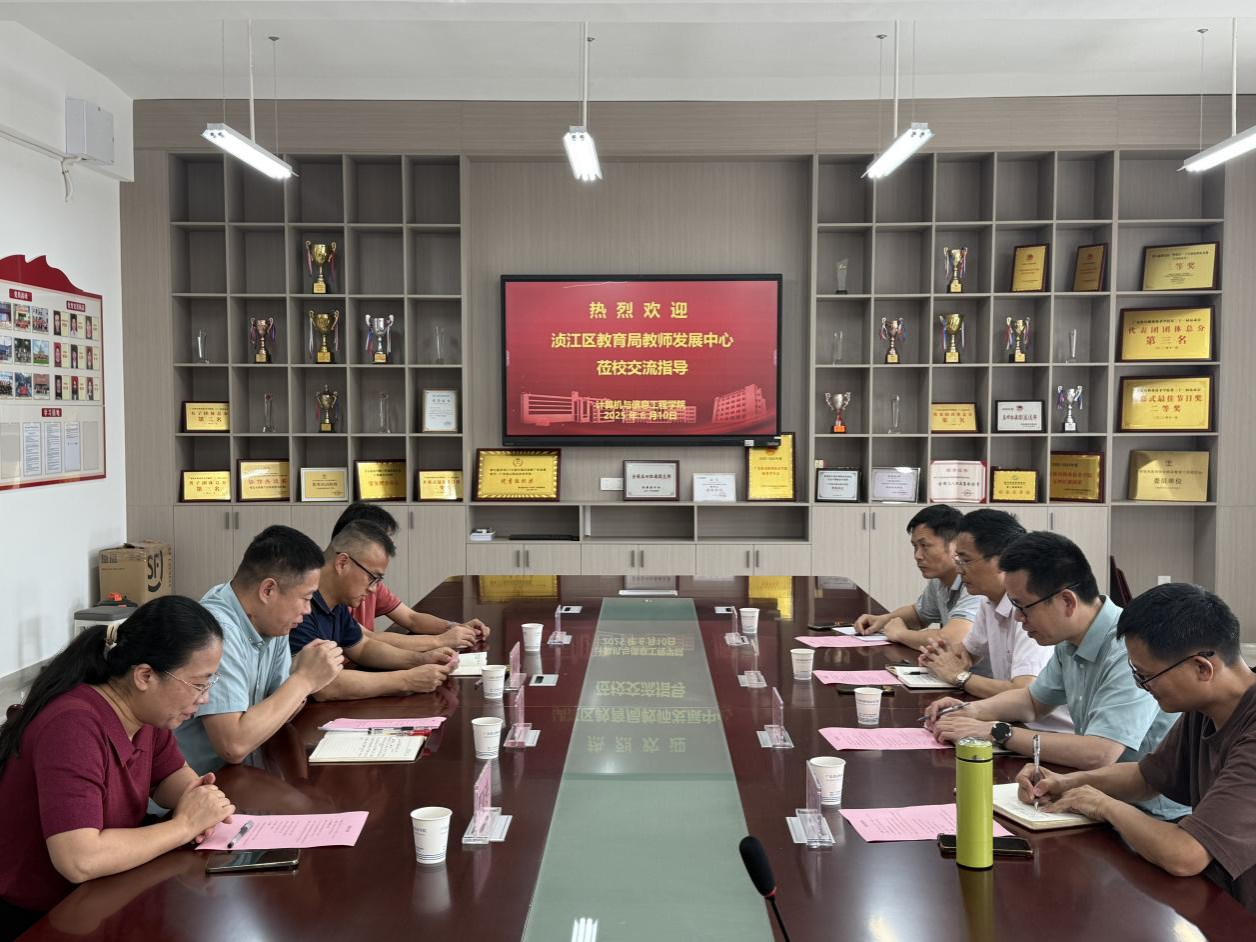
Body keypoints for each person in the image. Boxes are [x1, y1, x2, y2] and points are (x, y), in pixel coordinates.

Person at [0, 597, 236, 938]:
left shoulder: (147, 714)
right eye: (198, 684)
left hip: (104, 895)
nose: (205, 698)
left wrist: (200, 802)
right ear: (145, 676)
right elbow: (79, 860)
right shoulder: (73, 726)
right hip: (43, 919)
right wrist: (185, 825)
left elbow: (172, 780)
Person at [1016, 584, 1255, 910]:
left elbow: (1186, 855)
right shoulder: (1206, 707)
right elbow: (1146, 777)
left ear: (1202, 668)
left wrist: (1104, 805)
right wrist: (1065, 783)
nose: (1142, 687)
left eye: (1146, 676)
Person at [926, 531, 1187, 819]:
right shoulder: (1070, 640)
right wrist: (969, 711)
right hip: (1097, 796)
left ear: (1067, 601)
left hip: (1151, 815)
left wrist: (998, 731)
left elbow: (1100, 752)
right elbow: (1033, 701)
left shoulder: (1128, 649)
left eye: (1023, 607)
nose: (1018, 618)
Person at [175, 525, 345, 775]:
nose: (308, 610)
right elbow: (233, 745)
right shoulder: (216, 632)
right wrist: (303, 680)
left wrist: (302, 676)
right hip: (196, 785)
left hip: (243, 773)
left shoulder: (273, 622)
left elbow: (279, 713)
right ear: (268, 591)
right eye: (306, 598)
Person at [918, 510, 1069, 729]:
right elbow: (966, 655)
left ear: (1003, 560)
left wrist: (959, 676)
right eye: (957, 560)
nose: (958, 570)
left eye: (965, 560)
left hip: (1045, 733)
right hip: (1010, 721)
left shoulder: (1029, 609)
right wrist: (939, 658)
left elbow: (1024, 691)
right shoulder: (989, 601)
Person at [288, 520, 456, 700]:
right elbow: (322, 685)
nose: (373, 589)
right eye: (372, 577)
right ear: (342, 563)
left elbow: (362, 647)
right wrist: (406, 680)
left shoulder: (336, 602)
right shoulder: (298, 607)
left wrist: (419, 659)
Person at [330, 502, 490, 650]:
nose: (388, 551)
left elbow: (411, 618)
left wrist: (455, 627)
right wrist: (441, 640)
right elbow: (366, 639)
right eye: (382, 543)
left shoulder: (371, 583)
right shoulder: (333, 592)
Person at [853, 505, 981, 651]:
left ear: (954, 545)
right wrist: (882, 620)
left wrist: (900, 634)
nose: (917, 556)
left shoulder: (975, 583)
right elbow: (918, 614)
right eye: (915, 546)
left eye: (925, 545)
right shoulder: (939, 580)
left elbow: (953, 639)